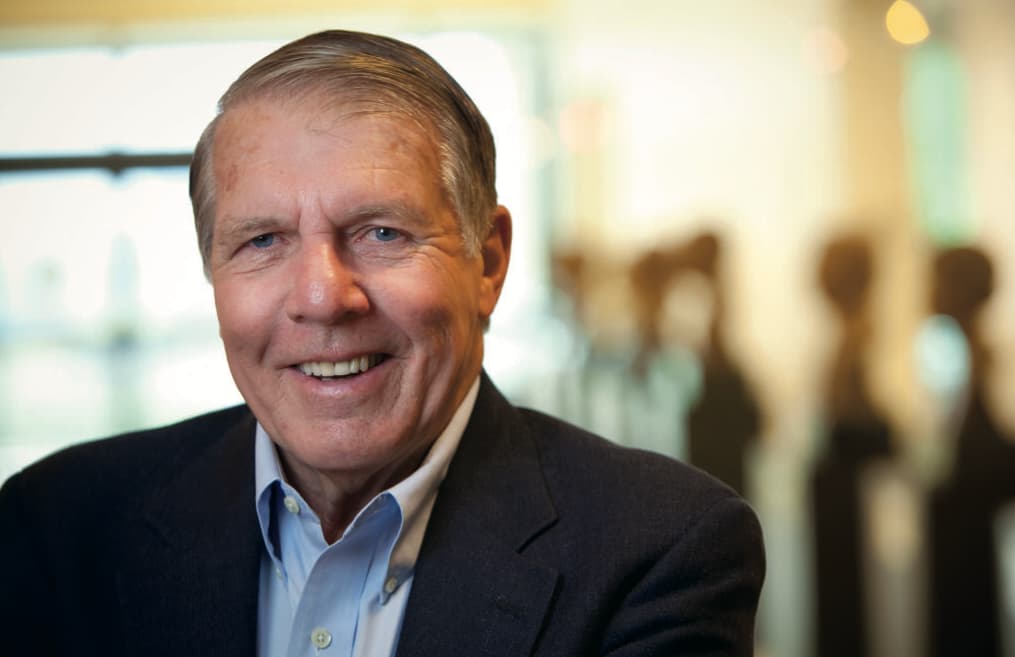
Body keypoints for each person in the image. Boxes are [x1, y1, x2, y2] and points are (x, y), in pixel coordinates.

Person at [0, 30, 765, 657]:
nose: (323, 296)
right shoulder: (58, 528)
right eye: (263, 240)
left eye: (381, 232)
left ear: (488, 261)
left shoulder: (659, 550)